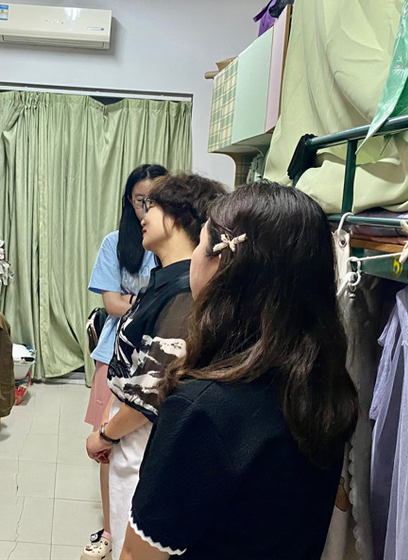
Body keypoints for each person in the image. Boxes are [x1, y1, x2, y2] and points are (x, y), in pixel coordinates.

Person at [121, 181, 360, 560]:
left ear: (223, 263)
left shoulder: (202, 410)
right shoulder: (324, 385)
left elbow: (139, 555)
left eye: (200, 242)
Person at [85, 173, 226, 560]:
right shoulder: (165, 279)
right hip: (132, 431)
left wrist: (105, 435)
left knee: (135, 543)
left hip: (145, 436)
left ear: (176, 217)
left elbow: (153, 391)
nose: (143, 215)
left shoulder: (184, 290)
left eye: (153, 206)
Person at [82, 164, 167, 560]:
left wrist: (138, 302)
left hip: (162, 361)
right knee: (108, 442)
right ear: (128, 202)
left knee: (152, 446)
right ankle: (110, 529)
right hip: (116, 355)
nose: (145, 209)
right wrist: (157, 303)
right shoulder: (116, 243)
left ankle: (143, 528)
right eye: (139, 200)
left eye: (154, 200)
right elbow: (112, 304)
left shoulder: (177, 245)